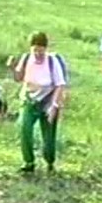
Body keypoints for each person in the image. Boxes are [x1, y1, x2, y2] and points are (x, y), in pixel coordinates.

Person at [11, 31, 66, 175]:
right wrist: (12, 67)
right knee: (24, 128)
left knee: (48, 135)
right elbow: (18, 78)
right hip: (29, 100)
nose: (37, 53)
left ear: (45, 49)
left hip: (48, 100)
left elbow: (60, 85)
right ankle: (28, 162)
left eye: (40, 50)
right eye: (35, 50)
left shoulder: (52, 62)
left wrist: (54, 106)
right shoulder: (26, 59)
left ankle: (49, 162)